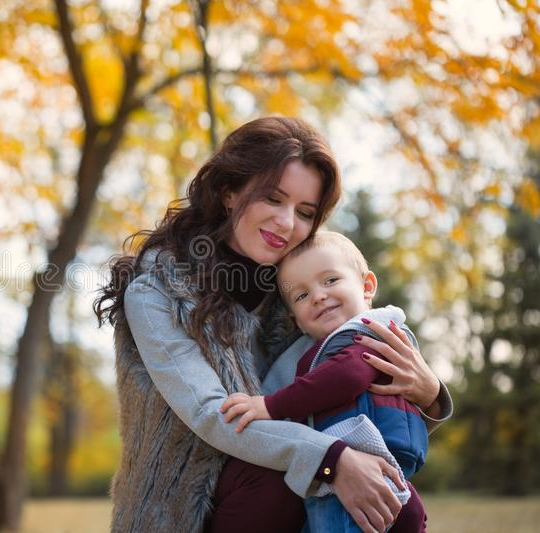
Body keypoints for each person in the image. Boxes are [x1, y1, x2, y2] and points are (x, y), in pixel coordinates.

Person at [94, 116, 453, 533]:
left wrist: (428, 394)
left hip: (303, 487)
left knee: (392, 505)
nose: (287, 223)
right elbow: (212, 416)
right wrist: (332, 460)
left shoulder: (304, 288)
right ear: (230, 192)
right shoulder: (157, 293)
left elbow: (356, 399)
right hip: (187, 508)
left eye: (304, 211)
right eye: (273, 199)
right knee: (280, 482)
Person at [221, 231, 430, 532]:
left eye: (331, 280)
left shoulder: (368, 332)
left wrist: (270, 405)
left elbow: (345, 377)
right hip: (375, 464)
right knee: (405, 516)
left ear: (367, 286)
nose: (318, 295)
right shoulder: (320, 349)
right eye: (302, 295)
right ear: (296, 320)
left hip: (365, 452)